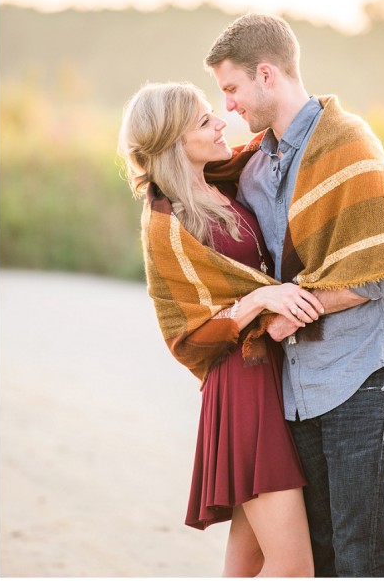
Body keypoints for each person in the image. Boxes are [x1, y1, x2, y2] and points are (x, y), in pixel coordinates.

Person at [204, 13, 384, 578]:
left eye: (231, 89)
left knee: (361, 558)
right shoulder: (252, 169)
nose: (227, 105)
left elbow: (383, 265)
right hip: (298, 393)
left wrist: (294, 308)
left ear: (267, 74)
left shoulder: (347, 143)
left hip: (364, 377)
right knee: (321, 560)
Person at [118, 81, 320, 578]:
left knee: (247, 564)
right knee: (293, 568)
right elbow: (189, 334)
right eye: (204, 121)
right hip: (244, 387)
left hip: (270, 376)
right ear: (173, 140)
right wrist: (260, 298)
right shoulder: (168, 222)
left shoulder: (220, 186)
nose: (220, 124)